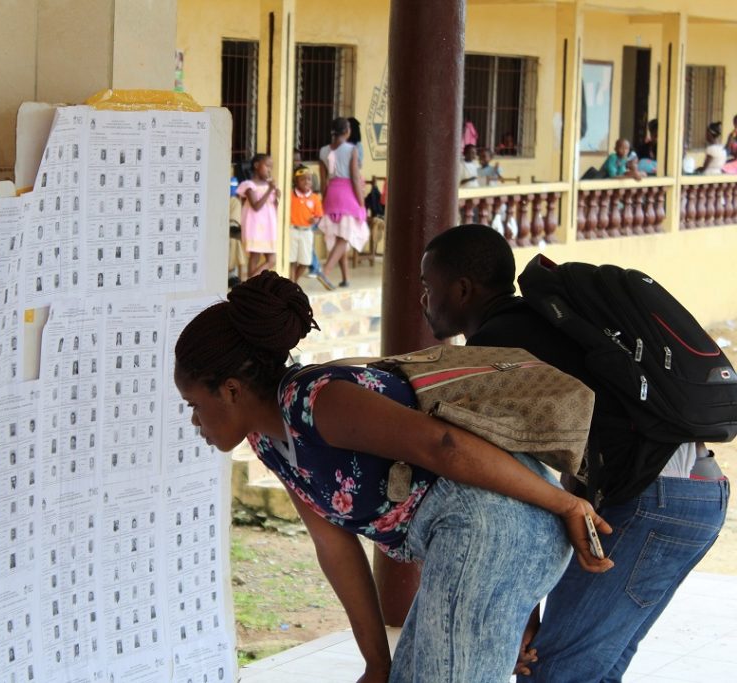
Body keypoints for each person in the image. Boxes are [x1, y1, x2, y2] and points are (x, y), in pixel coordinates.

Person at [174, 271, 611, 683]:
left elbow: (445, 447)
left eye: (193, 403)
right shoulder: (268, 440)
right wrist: (377, 664)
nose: (194, 420)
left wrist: (568, 504)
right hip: (474, 534)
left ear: (231, 390)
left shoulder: (315, 400)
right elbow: (334, 547)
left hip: (493, 526)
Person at [419, 224, 729, 683]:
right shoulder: (544, 322)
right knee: (589, 672)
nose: (423, 301)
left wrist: (520, 611)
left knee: (553, 673)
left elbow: (503, 479)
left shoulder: (498, 349)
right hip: (689, 494)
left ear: (462, 289)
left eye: (428, 287)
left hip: (651, 501)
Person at [317, 117, 369, 290]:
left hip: (331, 193)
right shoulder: (351, 149)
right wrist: (361, 203)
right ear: (347, 131)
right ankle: (325, 271)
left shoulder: (323, 151)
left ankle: (346, 278)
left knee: (341, 235)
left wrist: (324, 201)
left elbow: (324, 181)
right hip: (347, 193)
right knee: (344, 237)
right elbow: (354, 177)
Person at [236, 153, 279, 279]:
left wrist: (277, 197)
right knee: (254, 256)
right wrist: (269, 190)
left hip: (268, 226)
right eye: (267, 166)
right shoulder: (249, 185)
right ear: (256, 165)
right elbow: (256, 206)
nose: (269, 170)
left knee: (271, 259)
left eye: (271, 167)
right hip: (254, 225)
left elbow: (271, 206)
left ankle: (249, 283)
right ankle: (249, 285)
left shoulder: (268, 185)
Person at [289, 167, 322, 283]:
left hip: (307, 232)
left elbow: (318, 215)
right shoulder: (290, 196)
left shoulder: (315, 198)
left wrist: (316, 220)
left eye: (309, 179)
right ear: (296, 181)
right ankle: (291, 285)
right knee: (291, 260)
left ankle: (293, 282)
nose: (307, 182)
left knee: (305, 262)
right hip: (292, 230)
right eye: (303, 179)